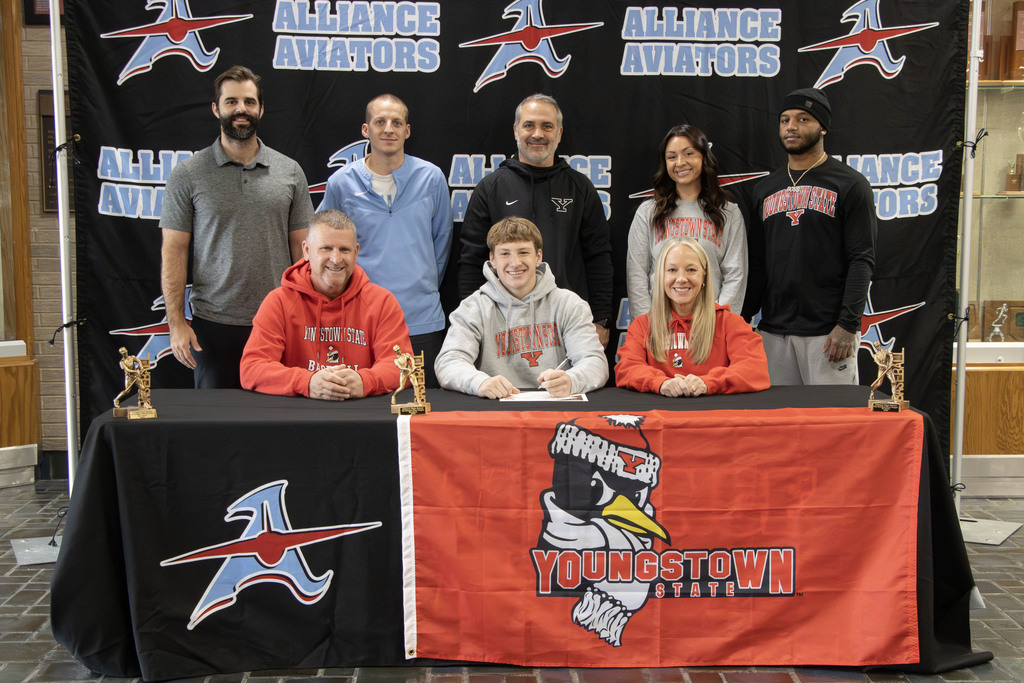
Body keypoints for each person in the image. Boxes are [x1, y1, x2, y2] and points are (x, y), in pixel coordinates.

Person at [160, 65, 314, 389]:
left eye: (248, 101)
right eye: (231, 102)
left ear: (260, 108)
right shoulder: (188, 174)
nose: (240, 109)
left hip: (278, 323)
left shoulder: (290, 171)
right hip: (213, 328)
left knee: (276, 426)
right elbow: (174, 251)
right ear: (216, 108)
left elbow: (304, 253)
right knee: (217, 430)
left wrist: (305, 319)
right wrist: (176, 322)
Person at [458, 94, 614, 346]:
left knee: (569, 386)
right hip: (503, 327)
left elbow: (599, 258)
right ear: (516, 130)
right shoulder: (491, 188)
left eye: (547, 126)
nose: (537, 134)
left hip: (568, 324)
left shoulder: (580, 188)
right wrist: (470, 323)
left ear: (560, 133)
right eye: (529, 125)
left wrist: (601, 320)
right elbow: (472, 260)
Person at [318, 94, 452, 386]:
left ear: (407, 130)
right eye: (380, 122)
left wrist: (422, 283)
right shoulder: (341, 183)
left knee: (419, 413)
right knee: (365, 411)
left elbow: (441, 245)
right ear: (366, 130)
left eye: (396, 122)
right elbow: (325, 248)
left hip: (420, 320)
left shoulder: (432, 178)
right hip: (359, 322)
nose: (388, 129)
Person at [746, 87, 876, 385]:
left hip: (828, 333)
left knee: (833, 427)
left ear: (823, 127)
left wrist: (847, 324)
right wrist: (743, 320)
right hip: (773, 332)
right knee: (780, 426)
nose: (791, 126)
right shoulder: (765, 189)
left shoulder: (850, 184)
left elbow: (862, 259)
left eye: (803, 119)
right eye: (785, 119)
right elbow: (757, 263)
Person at [240, 210, 412, 400]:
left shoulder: (382, 302)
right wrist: (306, 382)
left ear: (356, 253)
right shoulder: (279, 302)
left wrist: (366, 381)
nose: (336, 259)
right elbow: (252, 368)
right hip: (296, 416)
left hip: (360, 416)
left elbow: (402, 365)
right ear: (306, 250)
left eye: (344, 250)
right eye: (326, 248)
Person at [436, 217, 608, 399]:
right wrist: (480, 382)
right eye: (505, 254)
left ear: (538, 256)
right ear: (492, 259)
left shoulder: (569, 304)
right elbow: (448, 362)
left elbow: (595, 361)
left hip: (556, 408)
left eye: (523, 252)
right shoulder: (473, 308)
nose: (515, 262)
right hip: (497, 411)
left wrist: (572, 380)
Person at [616, 237, 769, 397]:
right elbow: (627, 368)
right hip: (661, 415)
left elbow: (754, 368)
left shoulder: (729, 323)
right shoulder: (643, 325)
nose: (681, 279)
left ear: (704, 276)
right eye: (672, 270)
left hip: (713, 416)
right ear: (661, 277)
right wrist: (661, 383)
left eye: (691, 270)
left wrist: (708, 382)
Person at [626, 124, 747, 318]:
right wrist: (648, 327)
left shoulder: (728, 213)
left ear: (703, 157)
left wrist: (720, 324)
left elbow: (735, 275)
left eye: (688, 154)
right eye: (672, 157)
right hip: (660, 328)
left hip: (711, 327)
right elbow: (637, 275)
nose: (680, 162)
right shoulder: (648, 212)